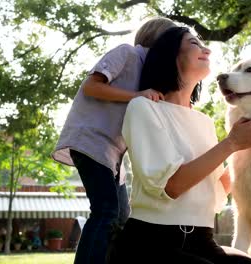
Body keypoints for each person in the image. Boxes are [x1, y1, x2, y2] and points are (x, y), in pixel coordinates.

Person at [109, 27, 251, 264]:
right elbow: (173, 185)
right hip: (150, 243)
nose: (207, 49)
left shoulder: (204, 122)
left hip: (203, 241)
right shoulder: (143, 108)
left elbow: (215, 190)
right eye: (194, 43)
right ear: (171, 56)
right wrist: (232, 142)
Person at [51, 17, 177, 264]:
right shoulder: (127, 53)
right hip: (92, 141)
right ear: (160, 40)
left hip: (114, 157)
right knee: (105, 211)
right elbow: (91, 87)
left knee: (121, 215)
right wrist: (136, 95)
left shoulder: (149, 76)